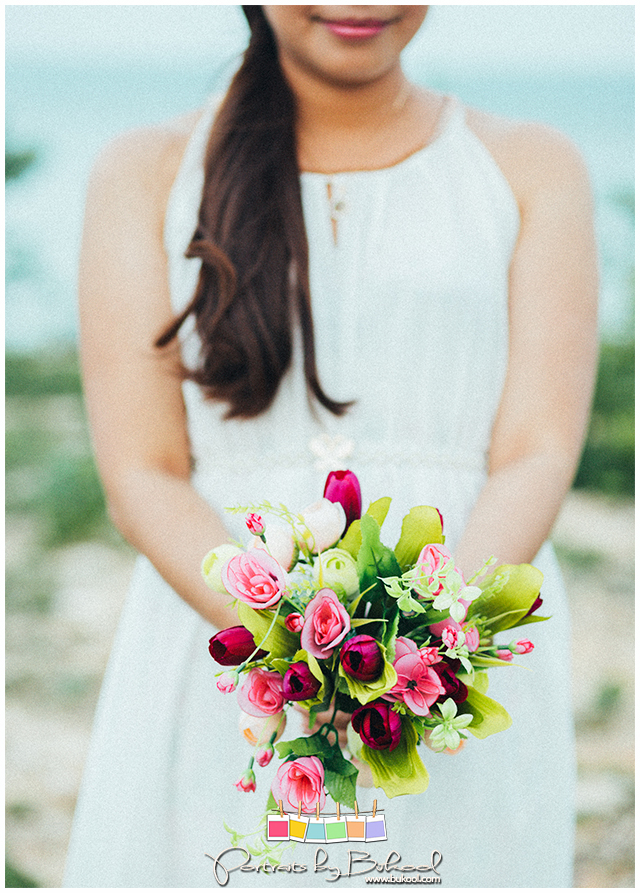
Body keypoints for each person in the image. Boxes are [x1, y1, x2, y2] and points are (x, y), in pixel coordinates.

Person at [63, 5, 597, 888]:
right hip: (223, 637)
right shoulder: (146, 170)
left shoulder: (531, 166)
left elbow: (537, 446)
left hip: (456, 650)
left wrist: (425, 642)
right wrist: (289, 648)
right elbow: (142, 471)